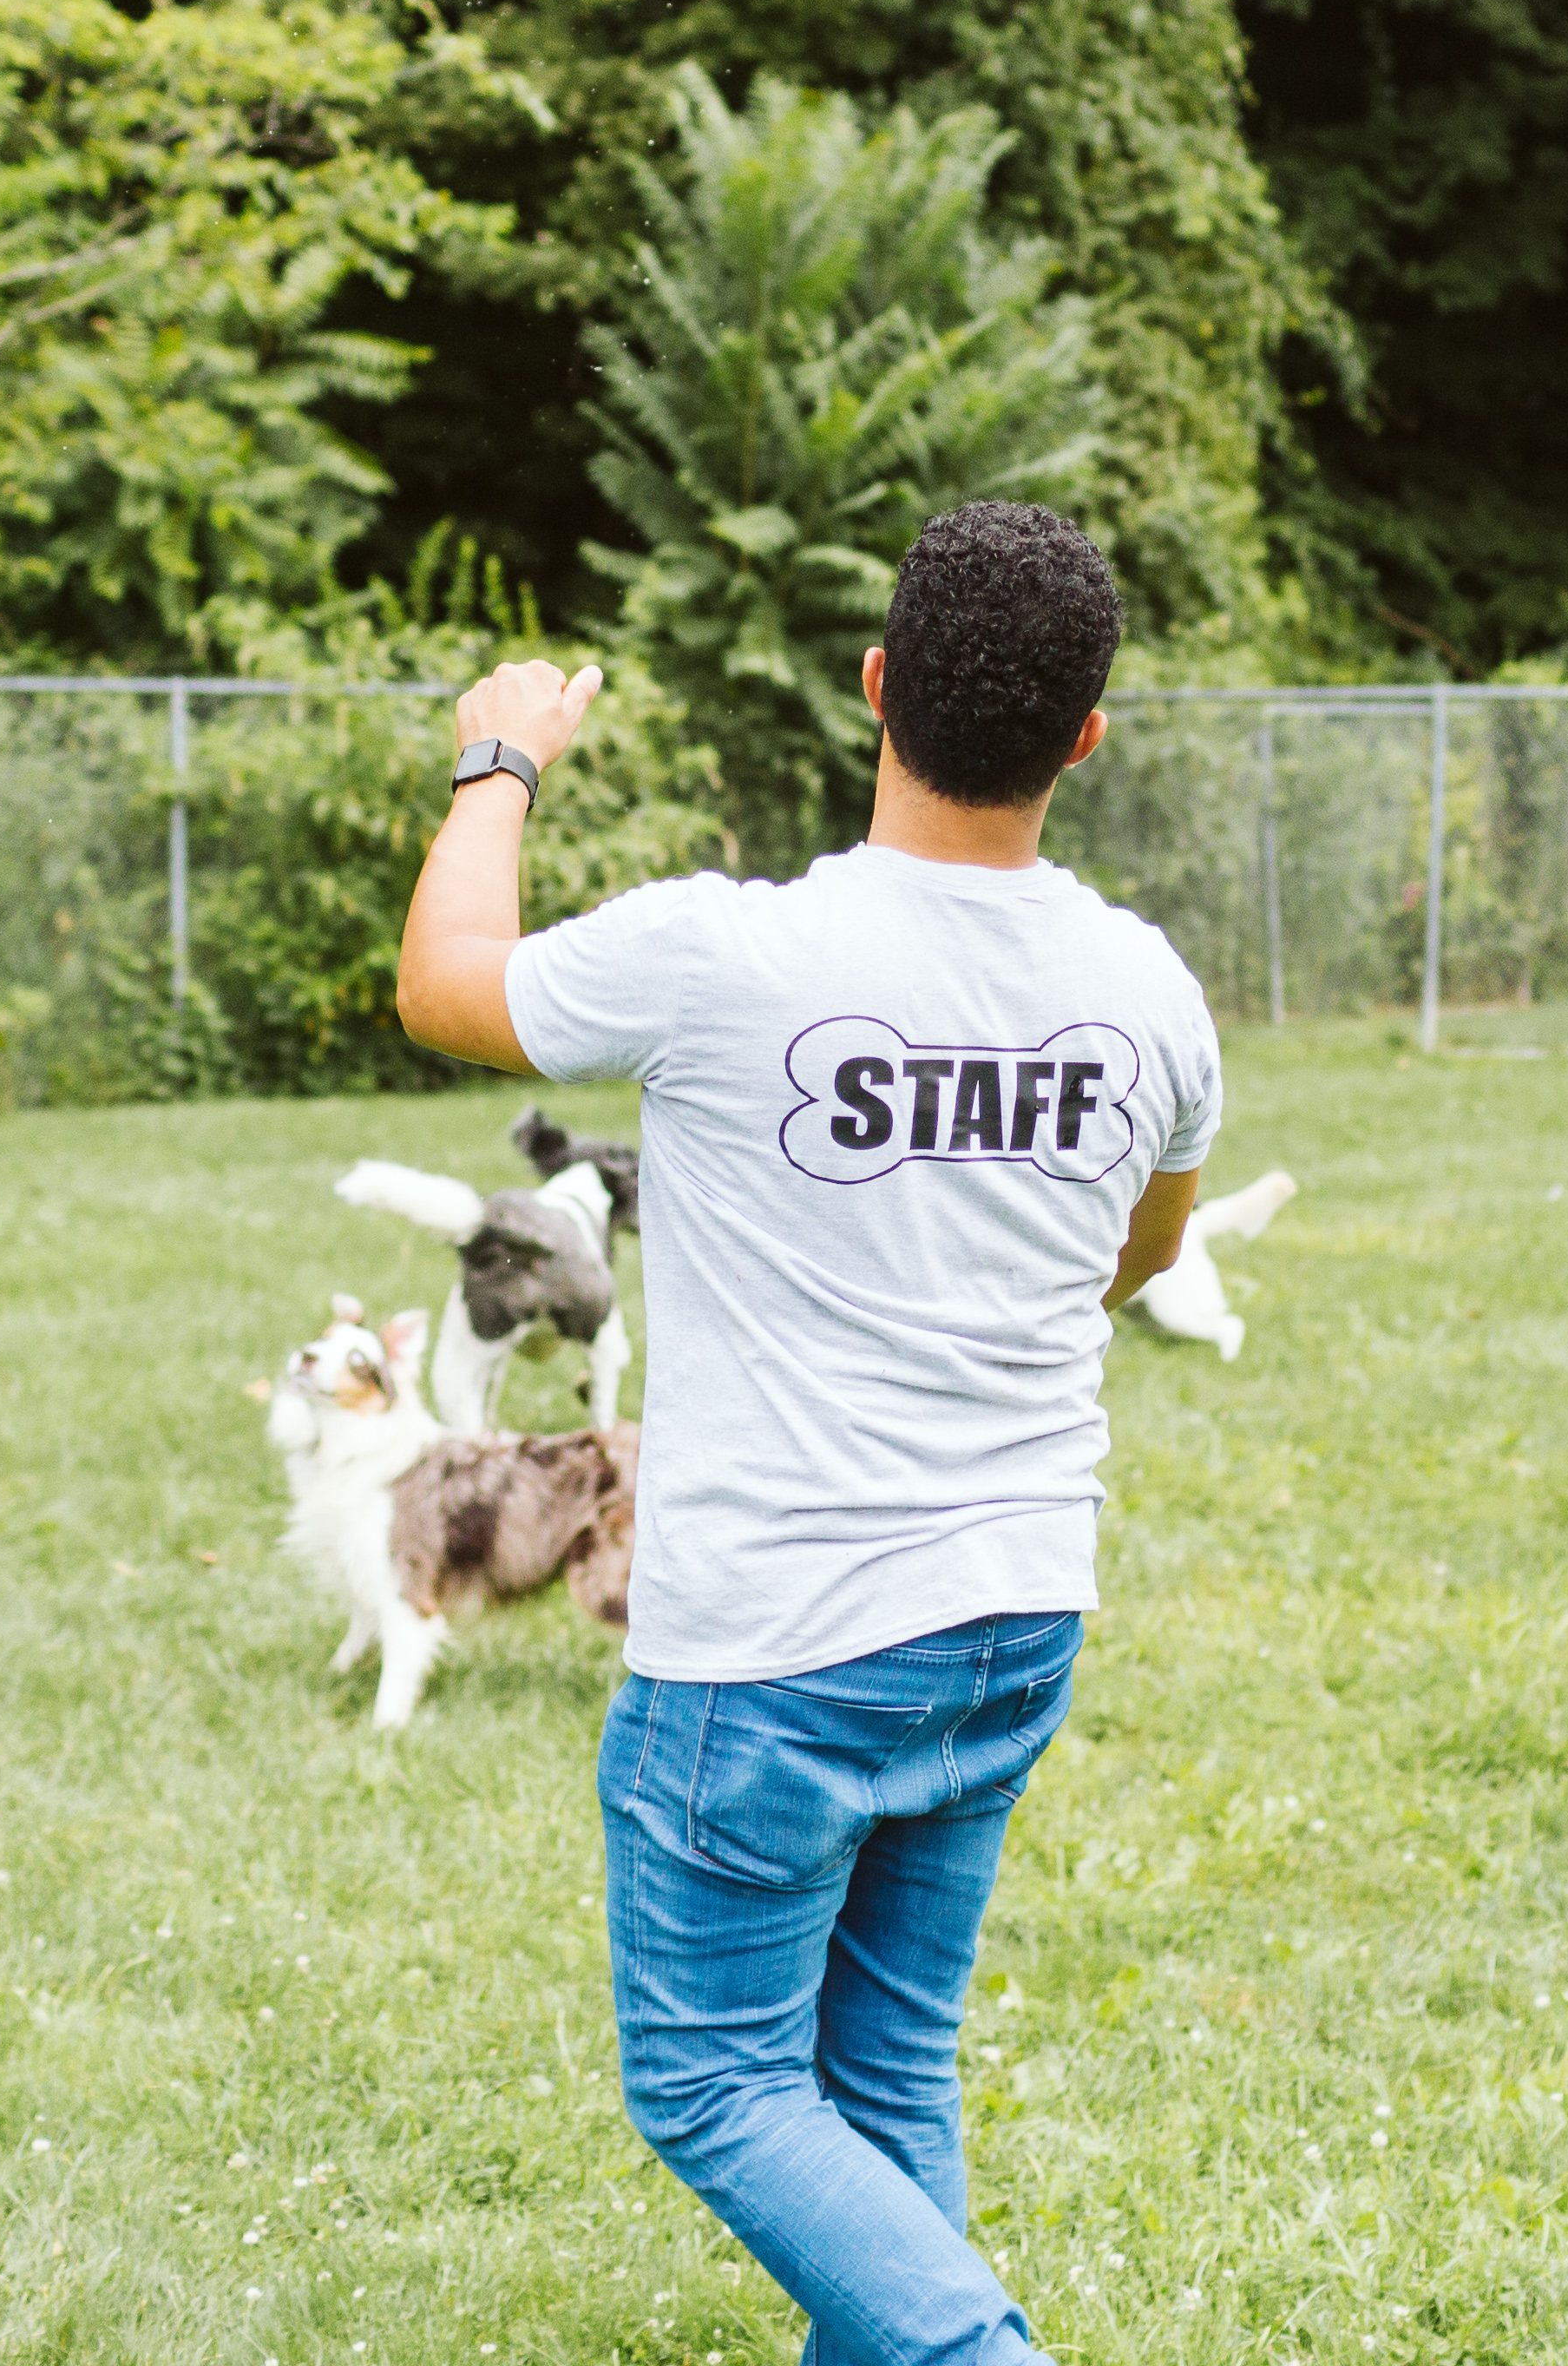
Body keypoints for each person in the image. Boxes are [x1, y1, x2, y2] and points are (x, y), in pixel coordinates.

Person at [390, 499, 1214, 2365]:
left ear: (875, 691)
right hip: (1012, 1616)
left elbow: (449, 985)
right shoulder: (1151, 996)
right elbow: (1131, 1256)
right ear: (1086, 737)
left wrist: (501, 760)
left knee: (713, 2085)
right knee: (877, 2080)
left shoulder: (726, 957)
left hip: (780, 1647)